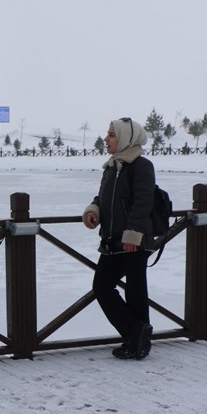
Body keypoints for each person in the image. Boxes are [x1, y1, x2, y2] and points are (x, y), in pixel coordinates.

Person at [82, 117, 156, 360]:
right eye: (108, 134)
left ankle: (137, 342)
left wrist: (132, 235)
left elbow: (143, 202)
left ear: (126, 138)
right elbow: (103, 198)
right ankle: (136, 333)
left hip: (134, 241)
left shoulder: (141, 166)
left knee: (135, 292)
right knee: (102, 287)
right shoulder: (112, 167)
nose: (106, 139)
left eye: (112, 135)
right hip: (112, 240)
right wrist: (93, 211)